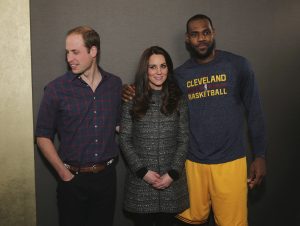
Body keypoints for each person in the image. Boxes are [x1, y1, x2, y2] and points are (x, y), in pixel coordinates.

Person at [122, 14, 266, 226]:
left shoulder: (238, 65)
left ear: (213, 33)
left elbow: (255, 112)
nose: (201, 39)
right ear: (188, 40)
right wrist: (129, 90)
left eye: (206, 32)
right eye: (195, 34)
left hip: (230, 162)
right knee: (191, 221)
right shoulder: (179, 76)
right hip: (193, 163)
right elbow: (153, 90)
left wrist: (260, 155)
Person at [35, 26, 122, 226]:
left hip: (106, 179)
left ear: (93, 51)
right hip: (72, 180)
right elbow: (42, 136)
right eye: (67, 52)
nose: (69, 58)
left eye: (75, 52)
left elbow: (119, 126)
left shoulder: (114, 85)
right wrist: (64, 174)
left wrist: (137, 103)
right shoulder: (56, 89)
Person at [119, 46, 189, 226]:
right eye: (153, 67)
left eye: (163, 66)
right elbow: (125, 140)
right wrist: (143, 172)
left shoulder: (178, 99)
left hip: (171, 185)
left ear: (168, 68)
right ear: (145, 70)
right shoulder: (131, 99)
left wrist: (172, 174)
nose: (159, 72)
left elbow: (184, 139)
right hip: (140, 185)